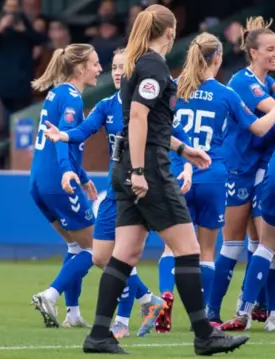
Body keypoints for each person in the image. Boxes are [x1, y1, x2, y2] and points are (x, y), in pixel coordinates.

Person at [82, 6, 249, 355]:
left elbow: (148, 121)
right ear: (170, 32)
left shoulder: (137, 63)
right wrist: (142, 171)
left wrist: (183, 148)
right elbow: (140, 118)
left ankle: (98, 334)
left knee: (125, 252)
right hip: (150, 170)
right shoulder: (153, 65)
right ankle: (205, 335)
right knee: (189, 249)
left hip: (128, 165)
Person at [43, 48, 167, 338]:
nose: (116, 72)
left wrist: (185, 161)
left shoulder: (147, 106)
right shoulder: (106, 105)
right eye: (113, 67)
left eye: (122, 67)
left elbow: (174, 136)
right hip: (115, 189)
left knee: (124, 255)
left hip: (141, 187)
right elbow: (83, 130)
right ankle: (149, 301)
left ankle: (122, 323)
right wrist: (63, 135)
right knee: (100, 257)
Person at [208, 16, 275, 328]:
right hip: (238, 167)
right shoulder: (242, 82)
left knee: (264, 241)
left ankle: (257, 308)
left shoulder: (265, 83)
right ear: (254, 53)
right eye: (270, 50)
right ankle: (211, 312)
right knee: (233, 244)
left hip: (263, 169)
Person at [29, 43, 103, 328]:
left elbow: (61, 145)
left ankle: (72, 314)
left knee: (75, 247)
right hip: (57, 181)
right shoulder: (72, 97)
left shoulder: (56, 94)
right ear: (80, 66)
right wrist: (67, 173)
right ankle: (50, 294)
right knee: (96, 250)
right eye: (95, 63)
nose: (99, 69)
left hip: (38, 182)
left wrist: (82, 176)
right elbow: (61, 142)